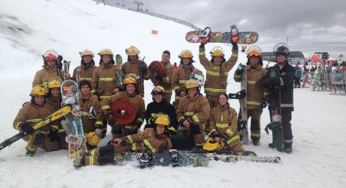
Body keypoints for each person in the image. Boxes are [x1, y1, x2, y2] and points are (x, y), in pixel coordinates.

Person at [73, 113, 172, 167]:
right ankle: (87, 153)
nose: (160, 129)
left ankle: (83, 161)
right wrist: (122, 140)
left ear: (165, 129)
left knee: (109, 158)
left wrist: (163, 152)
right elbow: (135, 137)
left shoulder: (166, 141)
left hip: (134, 156)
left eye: (162, 127)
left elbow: (165, 155)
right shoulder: (149, 131)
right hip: (128, 146)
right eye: (158, 126)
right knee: (109, 147)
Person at [262, 42, 295, 153]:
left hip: (285, 101)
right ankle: (277, 141)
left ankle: (288, 144)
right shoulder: (272, 69)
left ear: (285, 57)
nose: (280, 57)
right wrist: (267, 82)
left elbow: (287, 81)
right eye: (278, 56)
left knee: (285, 123)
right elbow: (264, 81)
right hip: (274, 101)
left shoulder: (290, 69)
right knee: (274, 122)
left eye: (282, 56)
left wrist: (275, 81)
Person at [234, 45, 268, 145]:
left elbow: (265, 87)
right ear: (249, 59)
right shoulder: (245, 70)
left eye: (255, 58)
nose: (253, 60)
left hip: (257, 103)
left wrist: (265, 99)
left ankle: (255, 139)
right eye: (251, 58)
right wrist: (238, 71)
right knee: (241, 121)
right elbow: (236, 79)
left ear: (259, 59)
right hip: (245, 103)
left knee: (255, 123)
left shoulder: (263, 71)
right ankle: (239, 137)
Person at [13, 85, 60, 157]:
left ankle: (40, 143)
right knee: (38, 135)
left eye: (41, 97)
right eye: (37, 97)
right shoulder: (26, 108)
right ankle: (30, 151)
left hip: (45, 133)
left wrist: (53, 130)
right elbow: (16, 122)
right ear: (33, 98)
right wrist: (23, 126)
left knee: (55, 147)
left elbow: (55, 121)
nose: (40, 100)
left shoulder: (50, 107)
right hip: (30, 133)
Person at [91, 48, 121, 138]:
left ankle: (115, 133)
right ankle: (102, 133)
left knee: (114, 117)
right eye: (104, 57)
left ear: (111, 58)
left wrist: (119, 88)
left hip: (113, 98)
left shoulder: (117, 68)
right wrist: (94, 94)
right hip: (101, 98)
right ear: (101, 58)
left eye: (108, 57)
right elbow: (93, 83)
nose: (106, 59)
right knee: (101, 117)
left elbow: (121, 81)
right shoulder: (97, 70)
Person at [199, 41, 238, 109]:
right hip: (209, 96)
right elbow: (202, 58)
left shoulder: (225, 66)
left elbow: (233, 59)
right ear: (213, 58)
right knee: (208, 113)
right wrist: (202, 46)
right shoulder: (208, 65)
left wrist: (235, 47)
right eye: (215, 57)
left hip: (220, 97)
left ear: (222, 58)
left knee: (218, 115)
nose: (217, 59)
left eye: (219, 57)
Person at [176, 79, 210, 148]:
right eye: (189, 90)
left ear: (197, 90)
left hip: (199, 125)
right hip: (186, 125)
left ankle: (200, 147)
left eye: (193, 90)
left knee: (196, 126)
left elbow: (205, 114)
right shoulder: (183, 100)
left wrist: (190, 120)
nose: (191, 92)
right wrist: (183, 122)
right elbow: (179, 113)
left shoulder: (203, 100)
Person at [78, 80, 104, 149]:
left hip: (90, 131)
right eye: (83, 87)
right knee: (79, 147)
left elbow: (99, 115)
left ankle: (89, 142)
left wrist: (98, 127)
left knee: (93, 143)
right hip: (79, 131)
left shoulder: (94, 101)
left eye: (87, 87)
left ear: (90, 89)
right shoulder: (76, 99)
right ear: (80, 88)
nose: (85, 89)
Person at [45, 79, 68, 149]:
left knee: (65, 146)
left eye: (57, 90)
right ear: (50, 91)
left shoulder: (64, 99)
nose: (55, 92)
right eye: (53, 90)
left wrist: (63, 120)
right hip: (51, 127)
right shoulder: (46, 101)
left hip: (62, 127)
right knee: (52, 147)